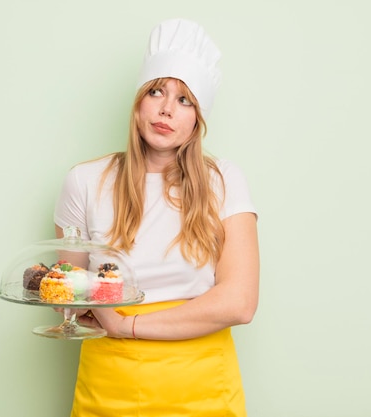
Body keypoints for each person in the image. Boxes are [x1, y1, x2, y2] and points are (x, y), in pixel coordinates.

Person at [53, 18, 259, 417]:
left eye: (185, 100)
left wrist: (125, 325)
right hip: (108, 390)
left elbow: (240, 302)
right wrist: (72, 300)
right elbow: (70, 296)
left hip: (204, 393)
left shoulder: (224, 181)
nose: (166, 109)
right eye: (156, 92)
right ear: (138, 101)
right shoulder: (84, 181)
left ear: (198, 118)